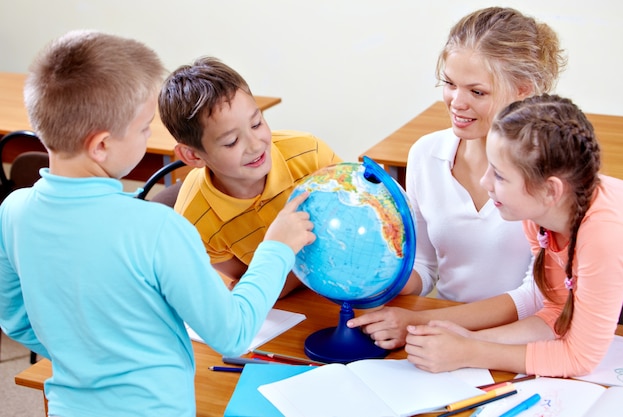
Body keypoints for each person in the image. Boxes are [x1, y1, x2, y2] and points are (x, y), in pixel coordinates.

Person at [0, 31, 315, 417]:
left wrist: (86, 354)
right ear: (101, 145)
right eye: (145, 128)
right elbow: (233, 333)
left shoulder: (12, 210)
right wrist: (277, 247)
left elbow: (15, 319)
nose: (149, 136)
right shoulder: (157, 228)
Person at [348, 6, 566, 348]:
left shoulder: (552, 174)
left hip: (518, 342)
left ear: (523, 91)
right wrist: (374, 279)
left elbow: (535, 297)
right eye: (449, 84)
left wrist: (421, 322)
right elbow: (424, 263)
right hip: (441, 337)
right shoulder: (425, 154)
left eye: (477, 92)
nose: (456, 102)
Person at [405, 94, 623, 376]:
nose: (485, 183)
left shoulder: (603, 235)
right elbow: (555, 312)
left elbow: (579, 358)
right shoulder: (540, 215)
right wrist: (468, 339)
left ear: (550, 190)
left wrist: (469, 352)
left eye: (499, 176)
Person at [158, 57, 341, 298]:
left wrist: (285, 277)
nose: (255, 146)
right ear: (192, 155)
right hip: (292, 310)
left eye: (256, 124)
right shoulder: (193, 219)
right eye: (231, 141)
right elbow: (251, 281)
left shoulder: (311, 155)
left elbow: (272, 284)